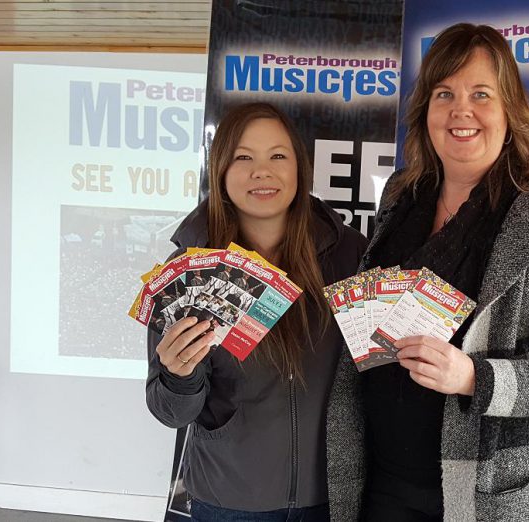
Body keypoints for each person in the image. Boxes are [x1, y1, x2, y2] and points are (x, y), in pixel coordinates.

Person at [326, 23, 529, 522]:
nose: (461, 110)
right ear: (426, 112)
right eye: (445, 94)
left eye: (481, 94)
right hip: (384, 483)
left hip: (493, 499)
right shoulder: (400, 197)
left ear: (509, 113)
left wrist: (474, 377)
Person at [145, 102, 367, 521]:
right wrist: (179, 376)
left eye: (277, 156)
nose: (261, 172)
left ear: (300, 168)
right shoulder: (190, 270)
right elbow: (169, 411)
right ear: (221, 171)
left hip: (334, 496)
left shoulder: (350, 252)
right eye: (243, 157)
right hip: (229, 498)